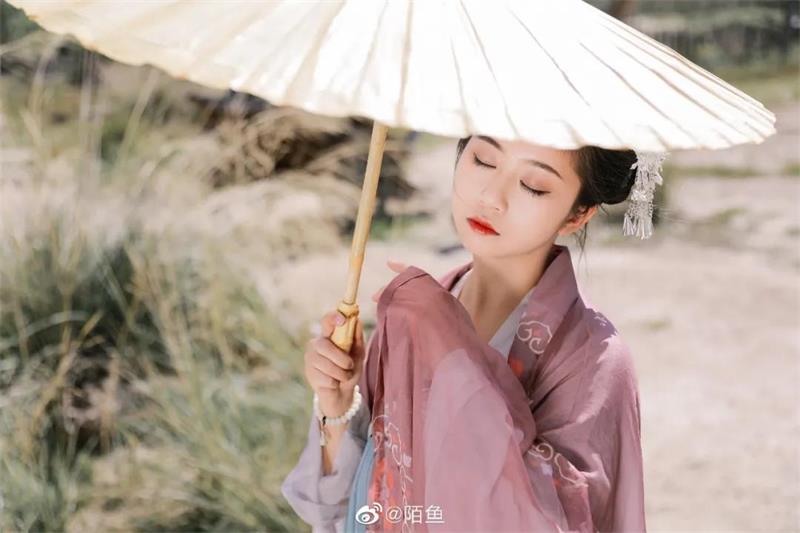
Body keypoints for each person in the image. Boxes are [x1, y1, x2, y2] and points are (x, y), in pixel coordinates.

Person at [282, 135, 649, 532]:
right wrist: (339, 406)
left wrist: (449, 347)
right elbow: (358, 504)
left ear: (577, 215)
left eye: (533, 186)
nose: (492, 197)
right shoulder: (423, 308)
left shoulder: (593, 359)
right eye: (483, 160)